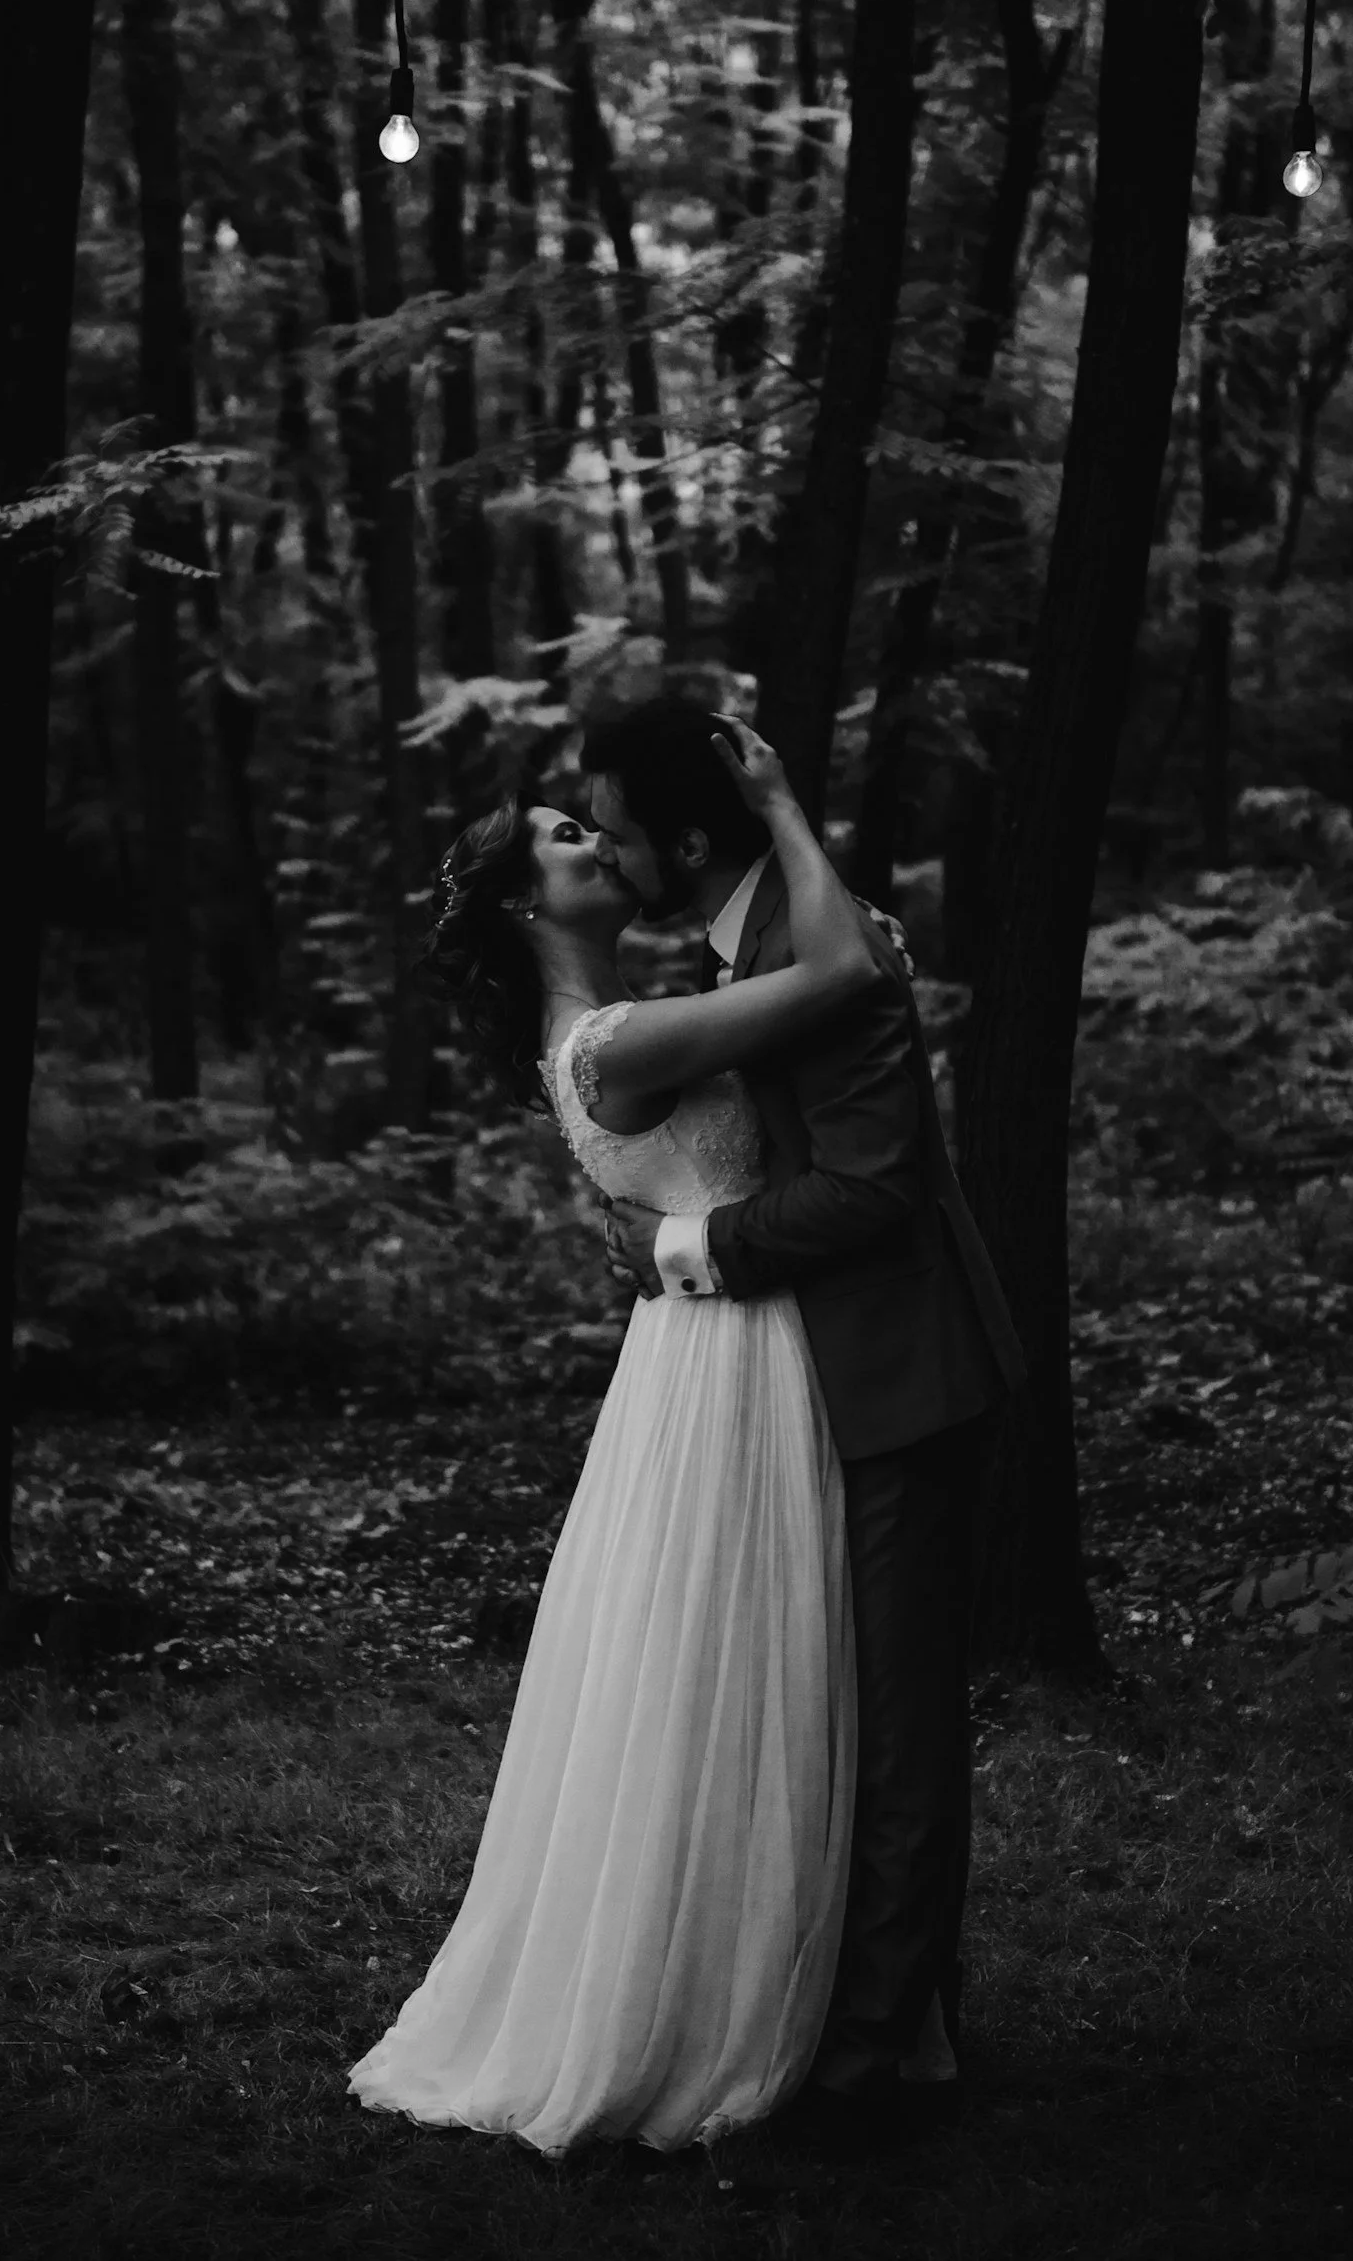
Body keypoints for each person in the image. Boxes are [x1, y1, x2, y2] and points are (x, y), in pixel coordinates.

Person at [346, 720, 879, 2160]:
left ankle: (733, 1966)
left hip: (700, 1348)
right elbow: (842, 975)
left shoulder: (601, 1033)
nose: (596, 841)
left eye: (593, 825)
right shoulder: (618, 1042)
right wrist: (780, 804)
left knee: (709, 1664)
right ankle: (708, 2000)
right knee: (737, 1659)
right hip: (732, 1356)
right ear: (531, 905)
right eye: (566, 839)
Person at [582, 696, 1027, 2156]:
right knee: (838, 1711)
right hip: (821, 1379)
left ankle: (881, 2067)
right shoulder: (759, 940)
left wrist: (686, 1249)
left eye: (618, 833)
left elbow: (877, 1187)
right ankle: (866, 2016)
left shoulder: (814, 950)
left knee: (898, 1732)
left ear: (685, 841)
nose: (608, 855)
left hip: (904, 1373)